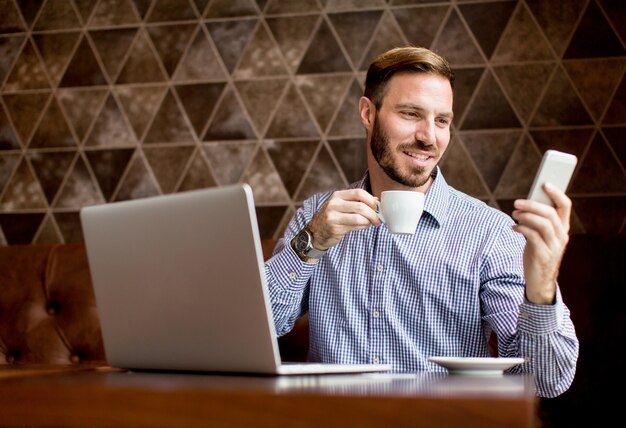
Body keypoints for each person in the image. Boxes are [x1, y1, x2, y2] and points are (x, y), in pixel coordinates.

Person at [264, 46, 578, 398]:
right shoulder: (315, 216)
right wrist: (310, 242)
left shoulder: (491, 233)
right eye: (411, 113)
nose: (429, 136)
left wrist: (542, 289)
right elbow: (260, 326)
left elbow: (546, 382)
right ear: (368, 113)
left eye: (442, 120)